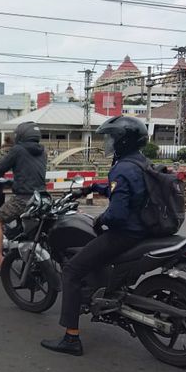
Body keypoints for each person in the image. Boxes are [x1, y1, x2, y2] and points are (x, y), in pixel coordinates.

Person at [41, 116, 149, 357]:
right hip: (146, 230)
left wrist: (102, 219)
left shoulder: (122, 167)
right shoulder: (142, 163)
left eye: (111, 137)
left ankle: (71, 338)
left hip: (127, 234)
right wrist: (94, 187)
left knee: (71, 270)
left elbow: (118, 214)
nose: (108, 142)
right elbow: (128, 190)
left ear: (123, 141)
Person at [0, 121, 47, 275]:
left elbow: (0, 168)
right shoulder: (43, 152)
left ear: (21, 135)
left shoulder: (18, 150)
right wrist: (13, 182)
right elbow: (29, 172)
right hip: (42, 198)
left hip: (24, 198)